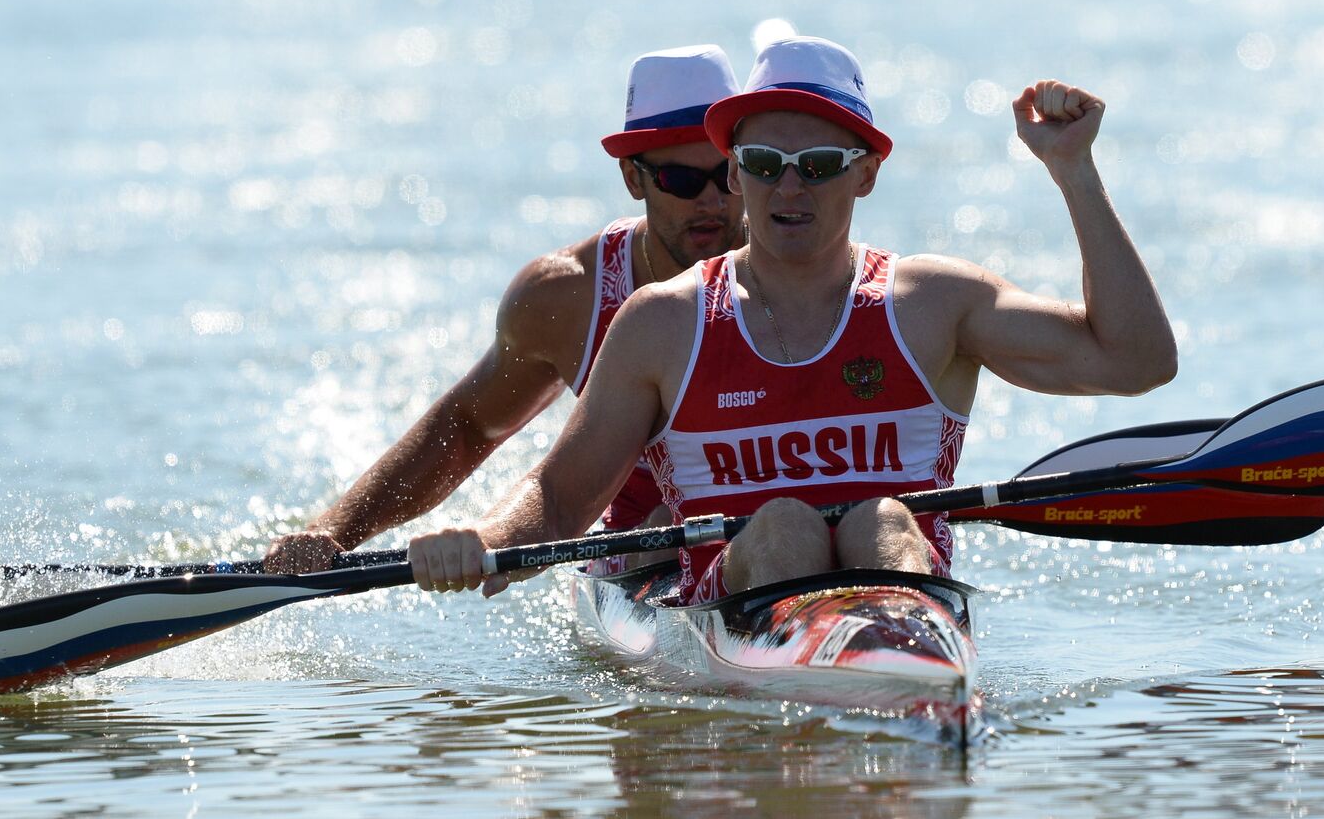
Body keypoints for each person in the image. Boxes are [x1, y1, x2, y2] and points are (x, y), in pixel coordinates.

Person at [407, 35, 1178, 600]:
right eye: (764, 166)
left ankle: (897, 700)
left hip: (898, 596)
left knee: (883, 522)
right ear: (737, 174)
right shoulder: (662, 324)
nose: (789, 190)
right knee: (781, 526)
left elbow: (1138, 361)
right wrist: (486, 539)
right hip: (735, 600)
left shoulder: (932, 304)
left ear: (868, 173)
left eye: (817, 168)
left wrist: (1072, 171)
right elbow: (563, 497)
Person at [262, 45, 748, 574]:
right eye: (681, 180)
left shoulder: (809, 270)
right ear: (633, 179)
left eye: (726, 174)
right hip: (646, 552)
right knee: (660, 522)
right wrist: (333, 532)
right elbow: (469, 427)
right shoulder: (568, 296)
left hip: (770, 540)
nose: (711, 201)